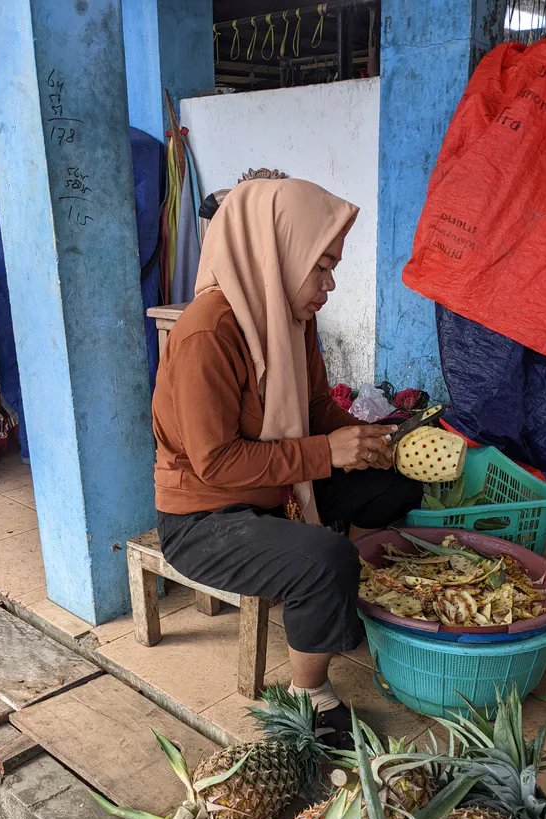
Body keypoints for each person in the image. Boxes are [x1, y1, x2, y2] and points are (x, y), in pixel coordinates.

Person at [152, 178, 421, 729]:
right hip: (205, 517)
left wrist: (366, 443)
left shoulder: (294, 318)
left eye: (332, 267)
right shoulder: (208, 333)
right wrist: (326, 454)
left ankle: (344, 601)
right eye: (320, 266)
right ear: (277, 254)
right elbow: (216, 463)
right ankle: (310, 696)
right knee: (326, 562)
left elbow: (317, 404)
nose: (330, 283)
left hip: (279, 488)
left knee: (396, 483)